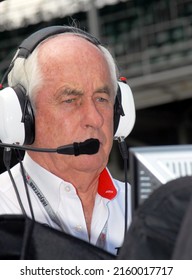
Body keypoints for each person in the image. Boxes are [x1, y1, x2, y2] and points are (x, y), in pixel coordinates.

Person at [0, 25, 133, 256]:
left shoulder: (150, 211)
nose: (95, 119)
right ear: (24, 115)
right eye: (70, 100)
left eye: (102, 98)